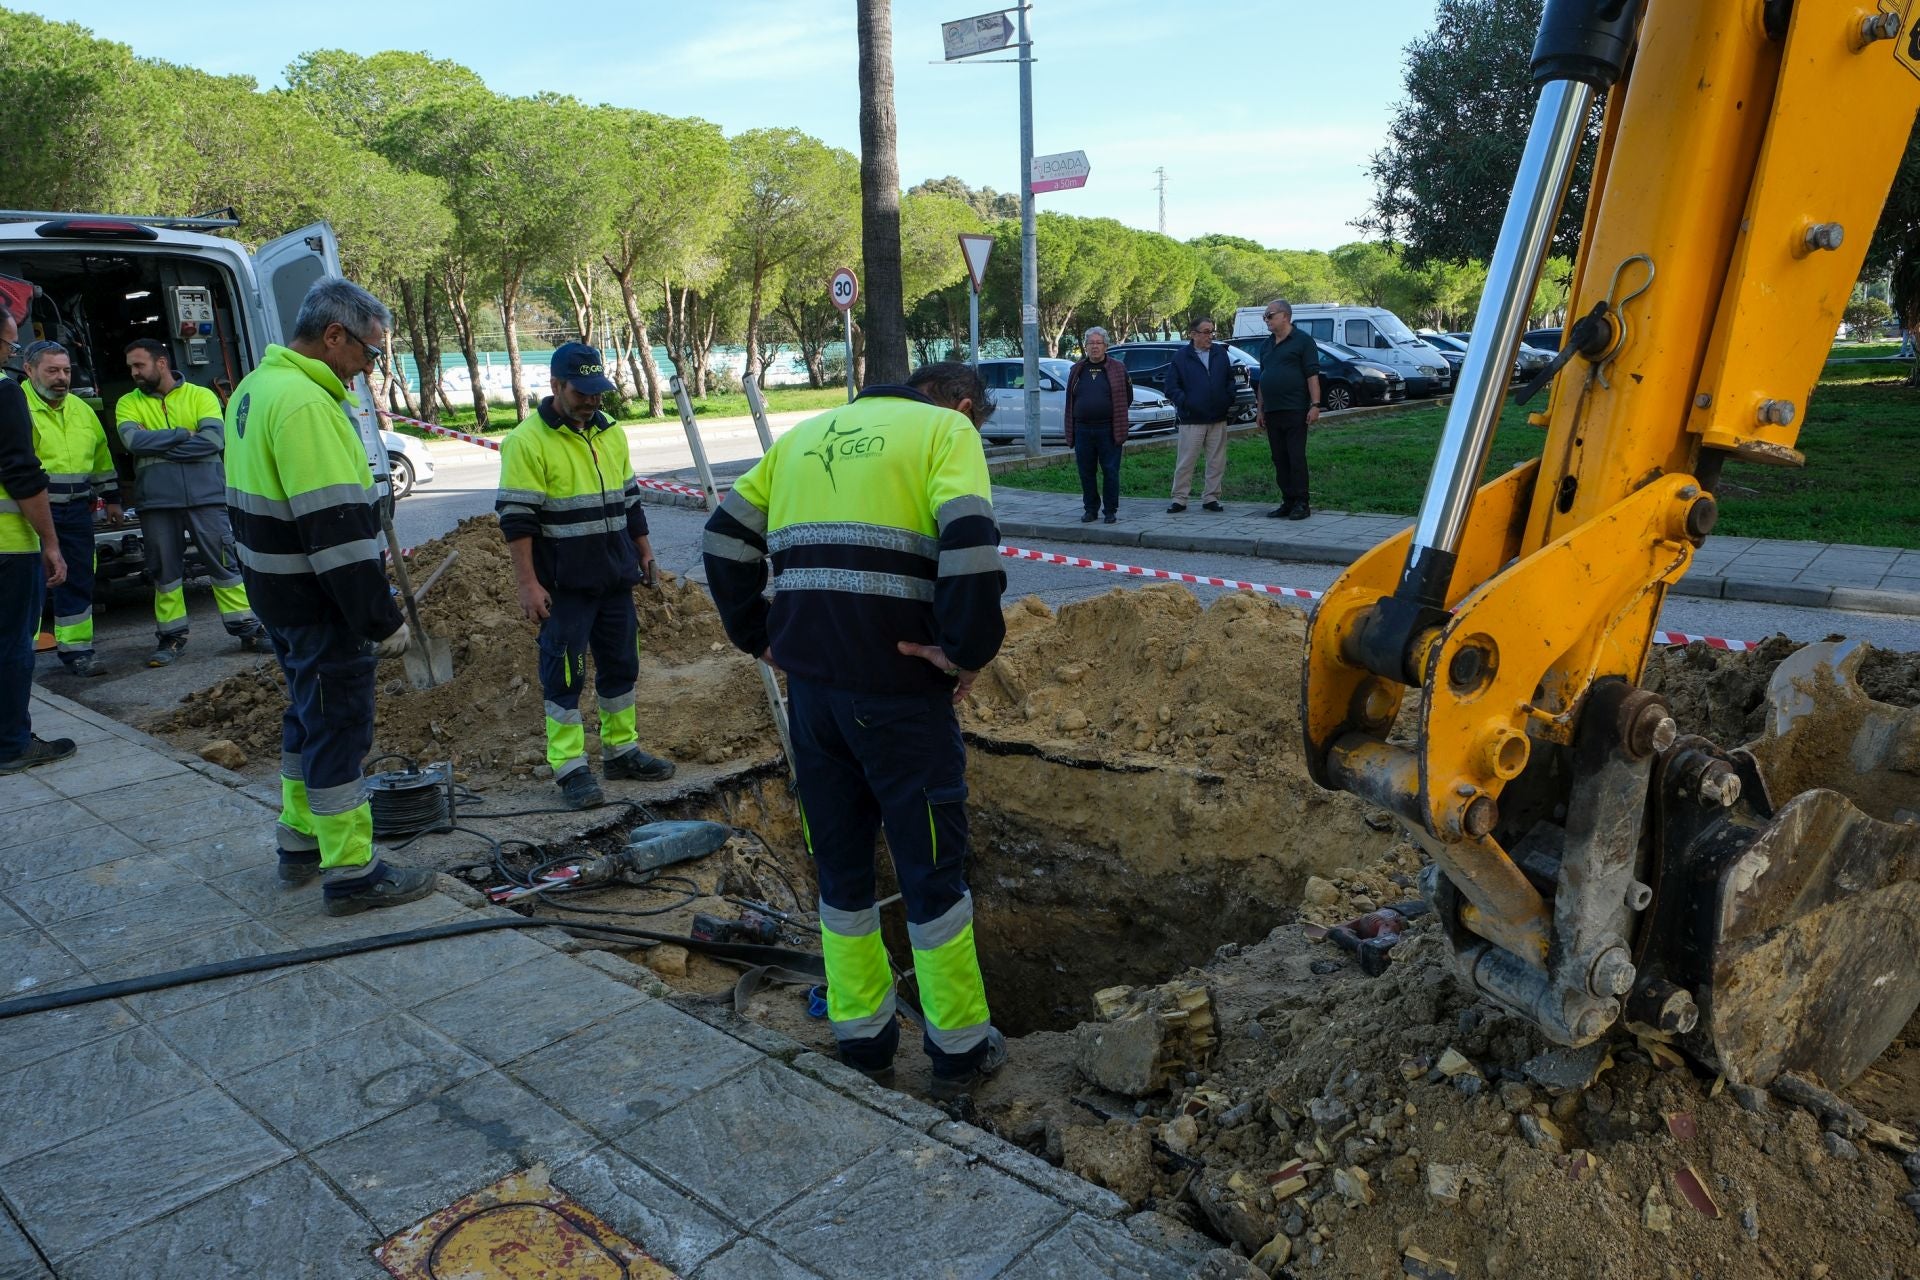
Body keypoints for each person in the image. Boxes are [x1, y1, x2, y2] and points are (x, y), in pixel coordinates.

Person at [701, 361, 1010, 1101]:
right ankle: (959, 1052)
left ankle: (862, 1040)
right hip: (902, 699)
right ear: (961, 404)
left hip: (815, 700)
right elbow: (971, 547)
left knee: (841, 875)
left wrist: (758, 634)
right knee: (931, 876)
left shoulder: (804, 436)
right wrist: (966, 651)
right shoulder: (947, 433)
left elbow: (721, 541)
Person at [223, 278, 434, 914]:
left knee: (305, 715)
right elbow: (334, 532)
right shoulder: (306, 405)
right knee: (339, 725)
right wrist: (379, 619)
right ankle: (352, 871)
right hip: (318, 602)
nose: (371, 368)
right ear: (333, 336)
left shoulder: (258, 387)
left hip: (277, 594)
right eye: (369, 353)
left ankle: (299, 840)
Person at [497, 342, 675, 811]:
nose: (593, 401)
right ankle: (571, 767)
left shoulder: (611, 432)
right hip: (565, 589)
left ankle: (621, 752)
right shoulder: (526, 441)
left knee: (621, 667)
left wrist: (645, 553)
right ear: (556, 386)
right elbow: (517, 521)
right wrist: (528, 585)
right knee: (565, 677)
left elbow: (631, 501)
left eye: (599, 392)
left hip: (615, 579)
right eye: (582, 392)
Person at [117, 337, 267, 667]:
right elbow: (132, 441)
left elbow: (214, 439)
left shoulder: (201, 395)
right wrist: (185, 434)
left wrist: (158, 442)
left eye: (139, 365)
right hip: (156, 502)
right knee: (164, 572)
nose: (134, 372)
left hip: (206, 498)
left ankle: (247, 629)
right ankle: (171, 638)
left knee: (224, 564)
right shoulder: (127, 403)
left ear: (161, 363)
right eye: (131, 367)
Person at [0, 306, 75, 774]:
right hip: (7, 545)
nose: (9, 354)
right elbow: (21, 473)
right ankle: (11, 745)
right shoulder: (4, 392)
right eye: (8, 345)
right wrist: (50, 541)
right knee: (11, 645)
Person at [22, 341, 120, 676]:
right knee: (28, 586)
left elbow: (101, 456)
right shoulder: (15, 405)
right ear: (29, 370)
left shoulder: (81, 408)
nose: (61, 378)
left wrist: (113, 498)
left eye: (65, 370)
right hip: (30, 514)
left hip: (77, 510)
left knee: (78, 578)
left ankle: (78, 652)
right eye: (52, 370)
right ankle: (20, 658)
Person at [1255, 299, 1322, 520]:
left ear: (1284, 315)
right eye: (1265, 316)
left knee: (1295, 457)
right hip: (1272, 411)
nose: (1266, 320)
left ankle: (1302, 503)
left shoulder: (1302, 341)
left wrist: (1315, 405)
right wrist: (1260, 410)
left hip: (1295, 408)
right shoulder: (1266, 345)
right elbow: (1263, 378)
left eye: (1269, 315)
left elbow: (1312, 375)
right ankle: (1288, 500)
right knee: (1279, 458)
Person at [1162, 316, 1234, 514]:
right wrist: (1186, 402)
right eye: (1206, 332)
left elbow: (1230, 380)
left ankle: (1211, 498)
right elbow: (1170, 386)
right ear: (1193, 334)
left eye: (1212, 331)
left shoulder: (1220, 353)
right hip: (1192, 418)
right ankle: (1180, 499)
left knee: (1217, 461)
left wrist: (1228, 398)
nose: (1210, 336)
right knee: (1186, 461)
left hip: (1217, 417)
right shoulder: (1181, 356)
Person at [1062, 327, 1131, 525]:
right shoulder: (1077, 369)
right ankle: (1090, 509)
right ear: (1085, 346)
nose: (1094, 347)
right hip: (1082, 429)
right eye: (1090, 343)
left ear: (1106, 346)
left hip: (1109, 429)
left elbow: (1128, 396)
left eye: (1098, 343)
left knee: (1110, 471)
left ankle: (1110, 510)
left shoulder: (1118, 368)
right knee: (1086, 471)